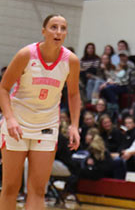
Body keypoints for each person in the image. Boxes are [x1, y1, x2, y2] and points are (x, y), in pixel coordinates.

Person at [0, 15, 81, 210]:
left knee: (38, 189)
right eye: (53, 27)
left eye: (63, 28)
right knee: (11, 186)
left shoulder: (71, 60)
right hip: (17, 125)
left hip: (46, 126)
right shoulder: (26, 55)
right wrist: (10, 118)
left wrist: (74, 125)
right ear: (43, 31)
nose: (58, 32)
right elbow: (3, 88)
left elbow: (73, 93)